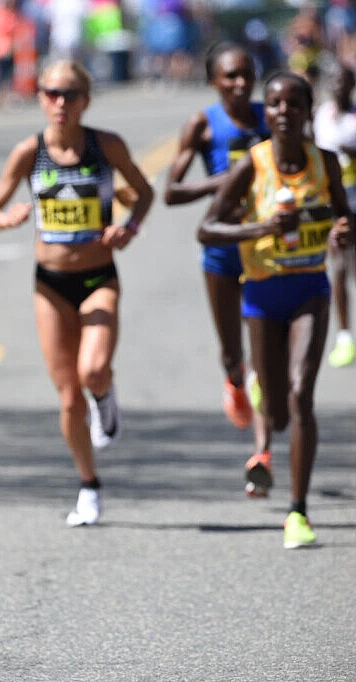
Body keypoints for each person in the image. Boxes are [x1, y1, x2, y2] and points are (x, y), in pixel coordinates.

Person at [0, 60, 153, 527]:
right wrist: (6, 219)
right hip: (50, 285)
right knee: (69, 397)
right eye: (52, 93)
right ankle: (88, 485)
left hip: (98, 277)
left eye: (70, 94)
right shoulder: (29, 152)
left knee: (93, 369)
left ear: (86, 101)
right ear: (40, 98)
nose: (60, 102)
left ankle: (105, 394)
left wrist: (129, 227)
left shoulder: (106, 145)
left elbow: (144, 192)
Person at [199, 72, 351, 549]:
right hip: (262, 295)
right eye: (275, 104)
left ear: (308, 111)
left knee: (302, 396)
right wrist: (261, 228)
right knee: (280, 413)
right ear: (267, 113)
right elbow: (207, 228)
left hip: (309, 290)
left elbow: (345, 217)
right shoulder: (254, 164)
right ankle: (260, 390)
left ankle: (297, 512)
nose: (284, 112)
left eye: (294, 104)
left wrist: (343, 231)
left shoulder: (325, 163)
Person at [163, 43, 273, 495]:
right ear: (213, 81)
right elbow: (171, 191)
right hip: (222, 253)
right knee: (234, 355)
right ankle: (233, 381)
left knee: (266, 358)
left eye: (246, 74)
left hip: (267, 250)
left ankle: (262, 455)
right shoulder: (203, 124)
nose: (240, 84)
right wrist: (225, 180)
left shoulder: (274, 116)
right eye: (230, 76)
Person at [313, 63, 356, 368]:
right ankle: (344, 336)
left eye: (344, 80)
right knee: (338, 266)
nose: (338, 85)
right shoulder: (321, 115)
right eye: (334, 80)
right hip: (332, 205)